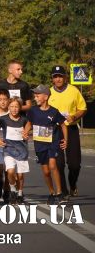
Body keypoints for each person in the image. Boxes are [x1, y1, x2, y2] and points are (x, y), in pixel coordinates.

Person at [48, 65, 87, 200]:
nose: (58, 79)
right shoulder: (49, 93)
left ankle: (72, 183)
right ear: (52, 79)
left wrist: (75, 116)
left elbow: (83, 108)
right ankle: (63, 191)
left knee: (74, 164)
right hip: (55, 131)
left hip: (71, 129)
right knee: (58, 163)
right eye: (55, 77)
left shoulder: (73, 90)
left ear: (65, 77)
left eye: (60, 76)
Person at [27, 84, 68, 205]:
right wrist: (25, 132)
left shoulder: (54, 111)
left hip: (53, 142)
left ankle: (59, 192)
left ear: (45, 96)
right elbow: (29, 123)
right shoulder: (33, 111)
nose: (35, 97)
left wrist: (66, 140)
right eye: (35, 95)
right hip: (39, 144)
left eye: (37, 95)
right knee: (45, 171)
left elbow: (63, 125)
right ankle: (52, 192)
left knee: (52, 165)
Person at [0, 97, 30, 204]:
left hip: (21, 151)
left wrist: (26, 133)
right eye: (12, 107)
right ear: (8, 107)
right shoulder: (3, 119)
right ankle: (13, 190)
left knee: (20, 175)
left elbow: (28, 125)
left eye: (16, 107)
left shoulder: (23, 119)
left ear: (20, 107)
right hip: (8, 150)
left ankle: (19, 193)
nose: (14, 109)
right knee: (10, 171)